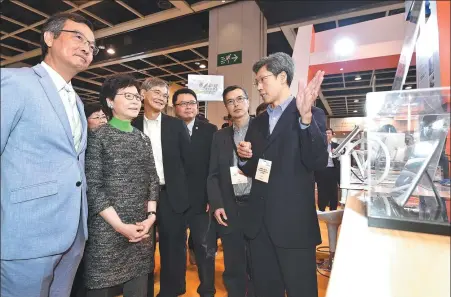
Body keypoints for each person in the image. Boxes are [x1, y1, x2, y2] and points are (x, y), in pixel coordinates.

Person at [1, 12, 95, 297]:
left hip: (73, 234)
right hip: (27, 234)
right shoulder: (15, 82)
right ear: (50, 38)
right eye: (78, 37)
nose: (87, 48)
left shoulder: (76, 100)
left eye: (92, 46)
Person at [236, 52, 328, 297]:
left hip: (293, 225)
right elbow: (255, 169)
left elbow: (317, 160)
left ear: (282, 77)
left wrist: (306, 119)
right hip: (259, 224)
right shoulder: (257, 123)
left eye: (263, 80)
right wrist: (244, 158)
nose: (258, 87)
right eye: (256, 81)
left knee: (301, 290)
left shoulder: (311, 114)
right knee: (265, 289)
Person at [84, 74, 159, 297]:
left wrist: (151, 217)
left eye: (138, 96)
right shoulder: (98, 138)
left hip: (140, 229)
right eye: (128, 96)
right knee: (101, 289)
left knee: (138, 289)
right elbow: (94, 187)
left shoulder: (142, 139)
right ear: (109, 101)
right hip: (107, 230)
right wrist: (119, 226)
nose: (136, 101)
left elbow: (152, 179)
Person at [132, 77, 191, 297]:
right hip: (141, 197)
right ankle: (143, 292)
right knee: (142, 249)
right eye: (157, 92)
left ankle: (170, 291)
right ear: (143, 94)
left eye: (165, 95)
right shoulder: (132, 125)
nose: (162, 97)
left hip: (171, 196)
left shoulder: (175, 125)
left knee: (173, 248)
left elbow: (189, 162)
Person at [208, 85, 256, 297]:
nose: (236, 104)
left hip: (257, 204)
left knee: (259, 261)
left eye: (239, 99)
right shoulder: (220, 137)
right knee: (234, 263)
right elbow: (213, 175)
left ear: (248, 101)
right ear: (226, 106)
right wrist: (217, 204)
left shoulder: (262, 130)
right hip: (230, 205)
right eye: (230, 101)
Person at [173, 88, 218, 297]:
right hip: (173, 199)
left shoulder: (210, 130)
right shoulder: (168, 129)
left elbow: (214, 166)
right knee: (175, 246)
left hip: (202, 200)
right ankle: (177, 286)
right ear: (174, 108)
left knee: (204, 246)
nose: (188, 106)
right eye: (183, 103)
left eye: (192, 102)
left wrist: (212, 196)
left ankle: (207, 288)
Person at [315, 128, 340, 211]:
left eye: (329, 133)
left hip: (333, 171)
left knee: (333, 192)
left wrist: (336, 154)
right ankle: (321, 209)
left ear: (332, 135)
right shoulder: (319, 146)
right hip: (322, 171)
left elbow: (340, 158)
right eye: (325, 133)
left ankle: (333, 210)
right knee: (322, 191)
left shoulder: (336, 146)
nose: (327, 135)